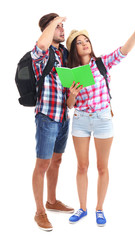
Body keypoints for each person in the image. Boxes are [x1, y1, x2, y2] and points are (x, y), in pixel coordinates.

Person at [66, 12, 135, 226]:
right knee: (82, 166)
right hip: (80, 120)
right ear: (74, 49)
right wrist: (73, 94)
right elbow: (69, 106)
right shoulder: (69, 72)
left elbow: (125, 49)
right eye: (79, 42)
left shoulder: (101, 63)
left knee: (102, 167)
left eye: (87, 40)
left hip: (103, 118)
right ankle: (82, 208)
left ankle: (99, 209)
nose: (85, 44)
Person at [31, 13, 74, 231]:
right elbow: (40, 44)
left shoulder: (64, 54)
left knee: (56, 161)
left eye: (62, 26)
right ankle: (40, 212)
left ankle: (52, 200)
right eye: (58, 27)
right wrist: (53, 22)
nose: (62, 30)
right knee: (42, 165)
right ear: (48, 29)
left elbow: (67, 88)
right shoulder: (42, 52)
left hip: (63, 116)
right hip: (47, 117)